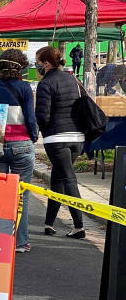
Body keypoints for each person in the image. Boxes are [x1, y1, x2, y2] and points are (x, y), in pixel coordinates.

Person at [0, 49, 39, 252]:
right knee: (22, 196)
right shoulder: (24, 87)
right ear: (21, 66)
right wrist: (34, 136)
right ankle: (20, 242)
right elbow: (30, 118)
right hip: (21, 144)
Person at [35, 46, 87, 239]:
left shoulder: (46, 84)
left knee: (68, 179)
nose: (37, 66)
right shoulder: (73, 79)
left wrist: (42, 129)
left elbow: (42, 115)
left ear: (47, 63)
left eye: (38, 63)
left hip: (57, 138)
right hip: (77, 137)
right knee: (58, 179)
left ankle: (79, 226)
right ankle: (49, 223)